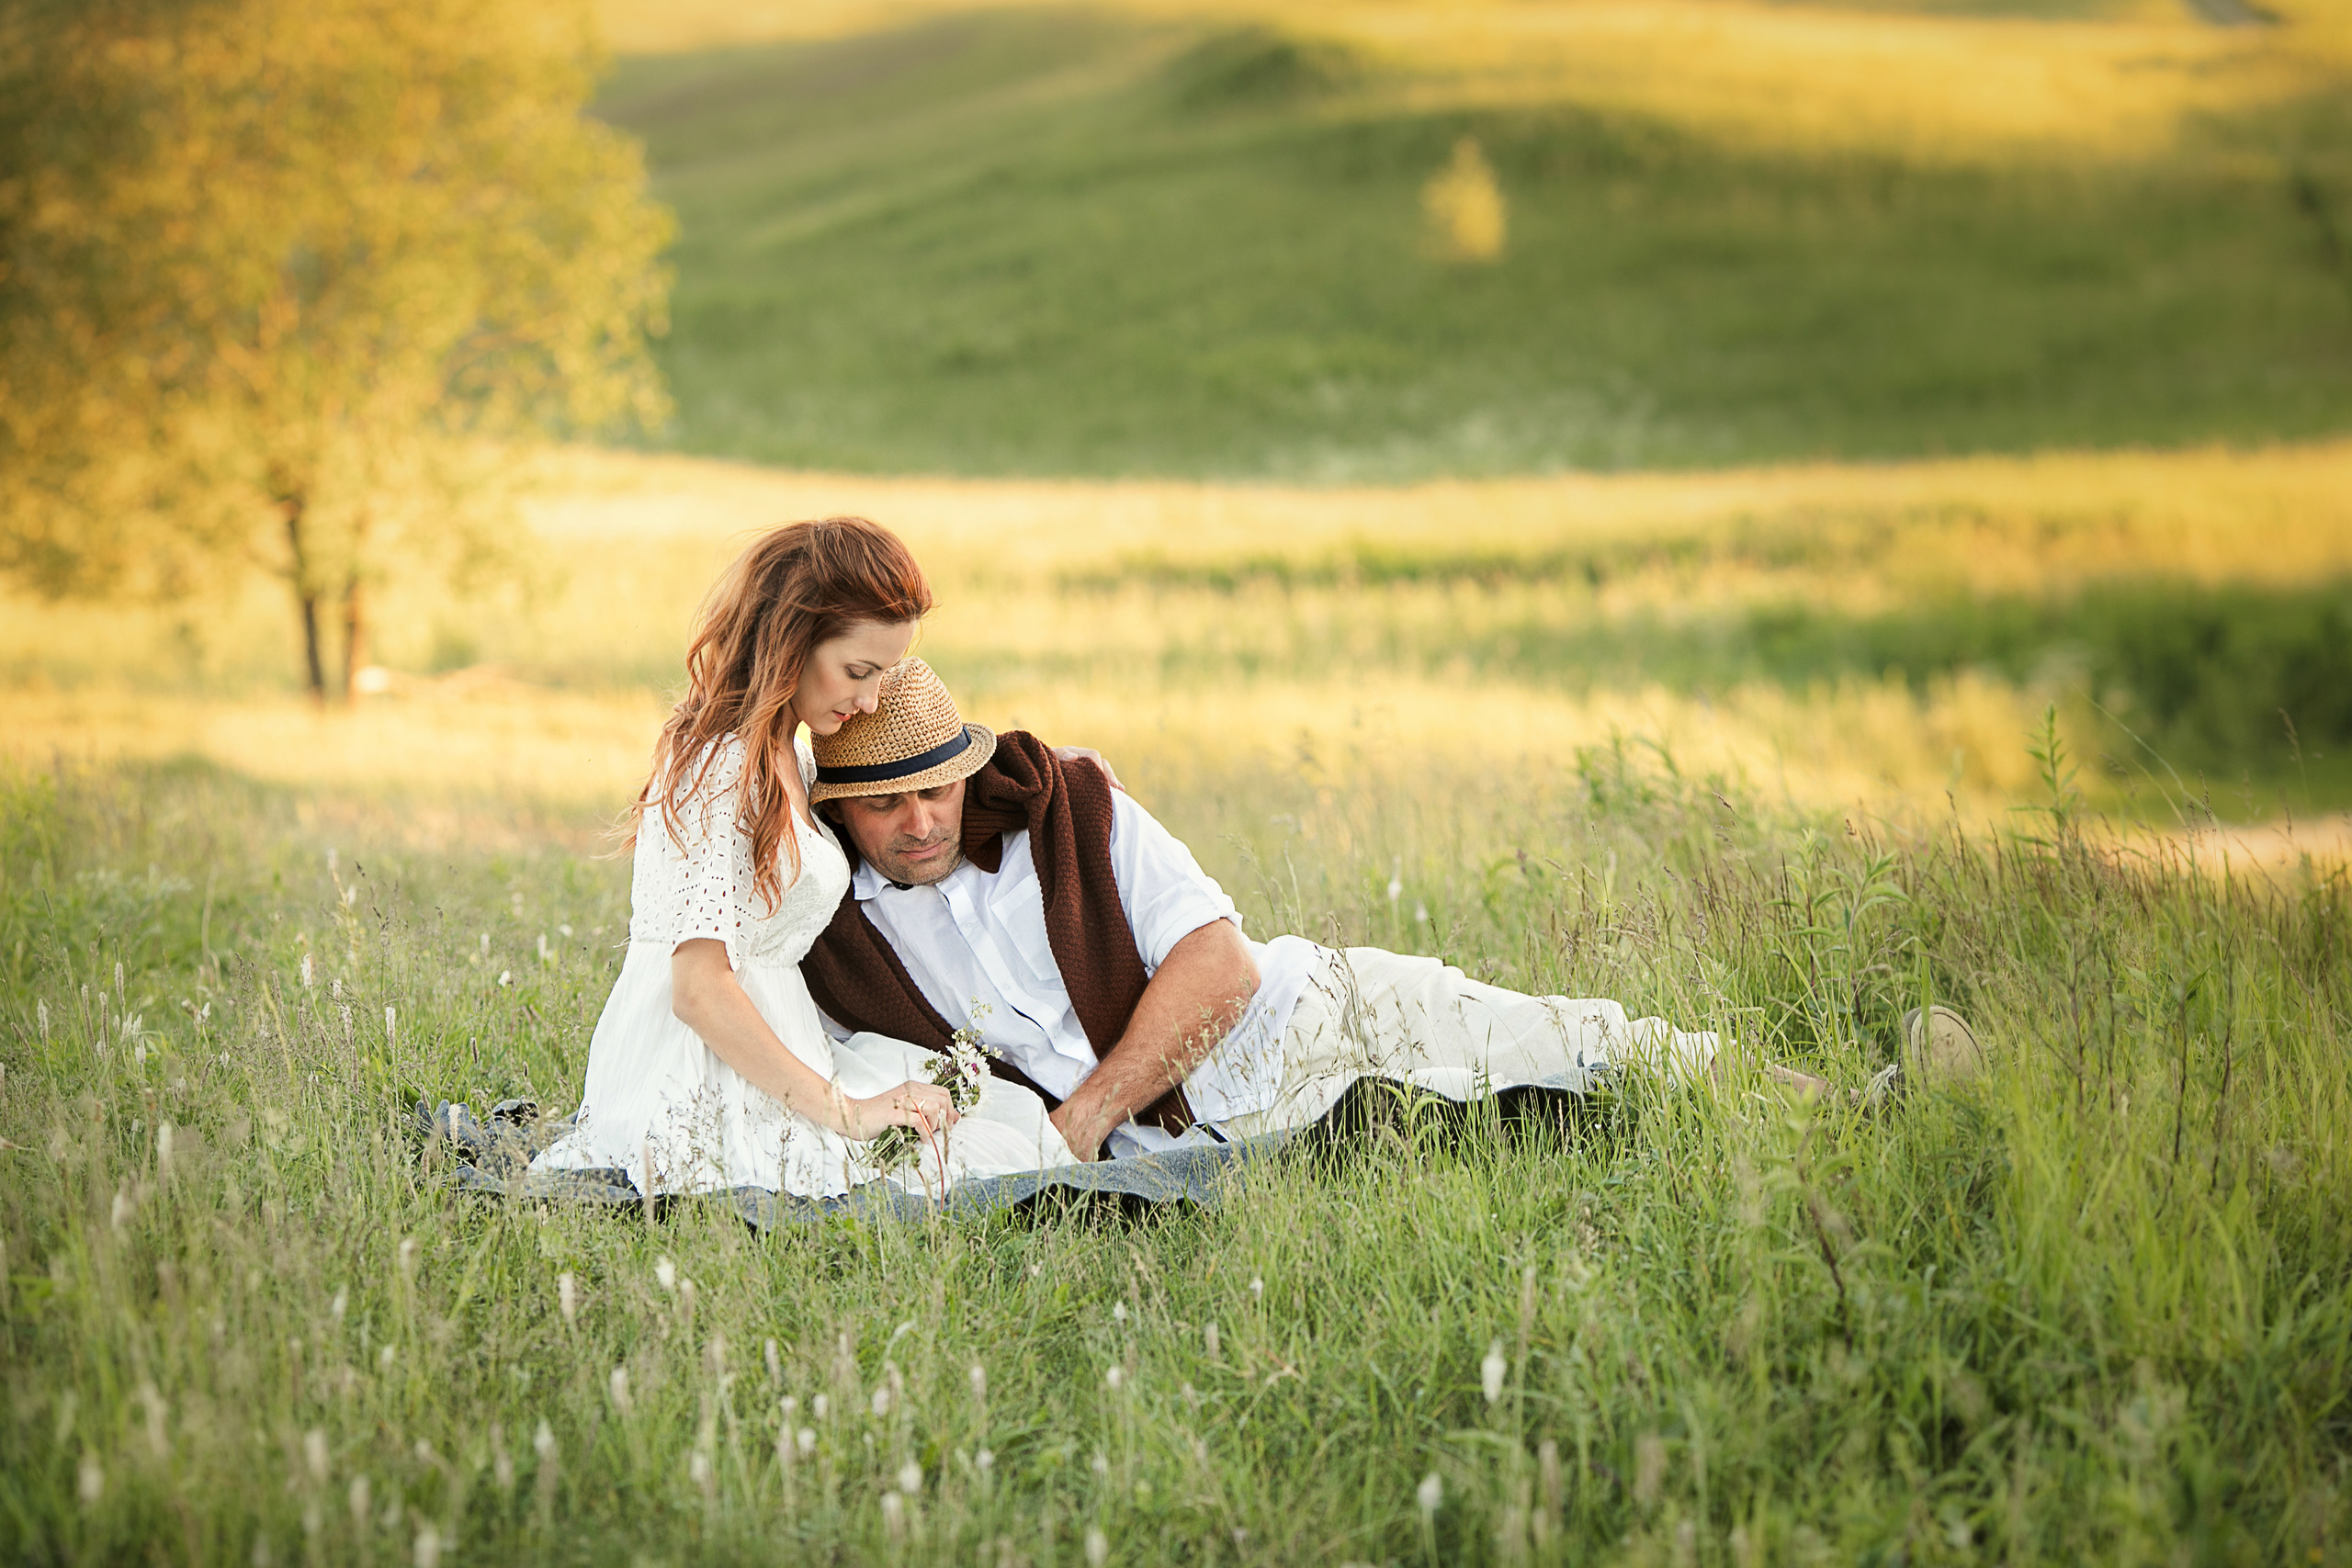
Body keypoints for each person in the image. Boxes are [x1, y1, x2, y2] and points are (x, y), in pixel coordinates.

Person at [805, 660, 1983, 1160]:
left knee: (1576, 1039)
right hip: (1210, 1140)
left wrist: (1084, 1123)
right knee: (1538, 1132)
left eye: (933, 787)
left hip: (1305, 1017)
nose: (917, 821)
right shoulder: (838, 936)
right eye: (883, 804)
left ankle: (1864, 1116)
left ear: (966, 770)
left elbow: (1221, 971)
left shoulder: (1073, 809)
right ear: (836, 811)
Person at [530, 519, 1085, 1200]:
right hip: (703, 1065)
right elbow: (698, 988)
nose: (869, 700)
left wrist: (1070, 779)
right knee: (959, 1163)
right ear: (793, 639)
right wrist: (843, 1111)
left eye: (881, 674)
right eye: (858, 671)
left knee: (997, 1119)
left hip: (781, 1045)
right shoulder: (722, 764)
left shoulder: (789, 752)